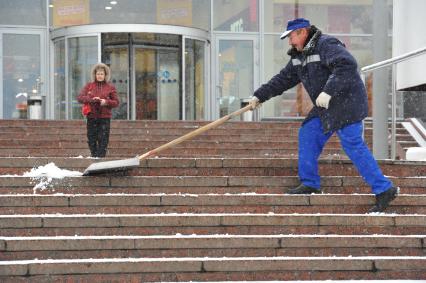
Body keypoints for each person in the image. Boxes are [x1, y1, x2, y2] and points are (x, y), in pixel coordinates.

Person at [249, 18, 398, 213]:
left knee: (353, 145)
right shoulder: (298, 56)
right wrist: (259, 96)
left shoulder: (326, 44)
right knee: (308, 133)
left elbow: (346, 65)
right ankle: (310, 183)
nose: (290, 42)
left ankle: (384, 189)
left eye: (291, 36)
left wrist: (328, 91)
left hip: (347, 103)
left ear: (303, 32)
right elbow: (283, 79)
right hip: (325, 107)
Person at [77, 63, 119, 158]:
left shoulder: (110, 87)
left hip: (105, 117)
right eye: (98, 74)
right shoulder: (89, 86)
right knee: (91, 139)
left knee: (103, 139)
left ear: (105, 75)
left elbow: (116, 102)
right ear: (95, 75)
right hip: (92, 117)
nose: (100, 76)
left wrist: (106, 102)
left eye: (102, 74)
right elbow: (80, 98)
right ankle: (94, 156)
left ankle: (100, 158)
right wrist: (92, 100)